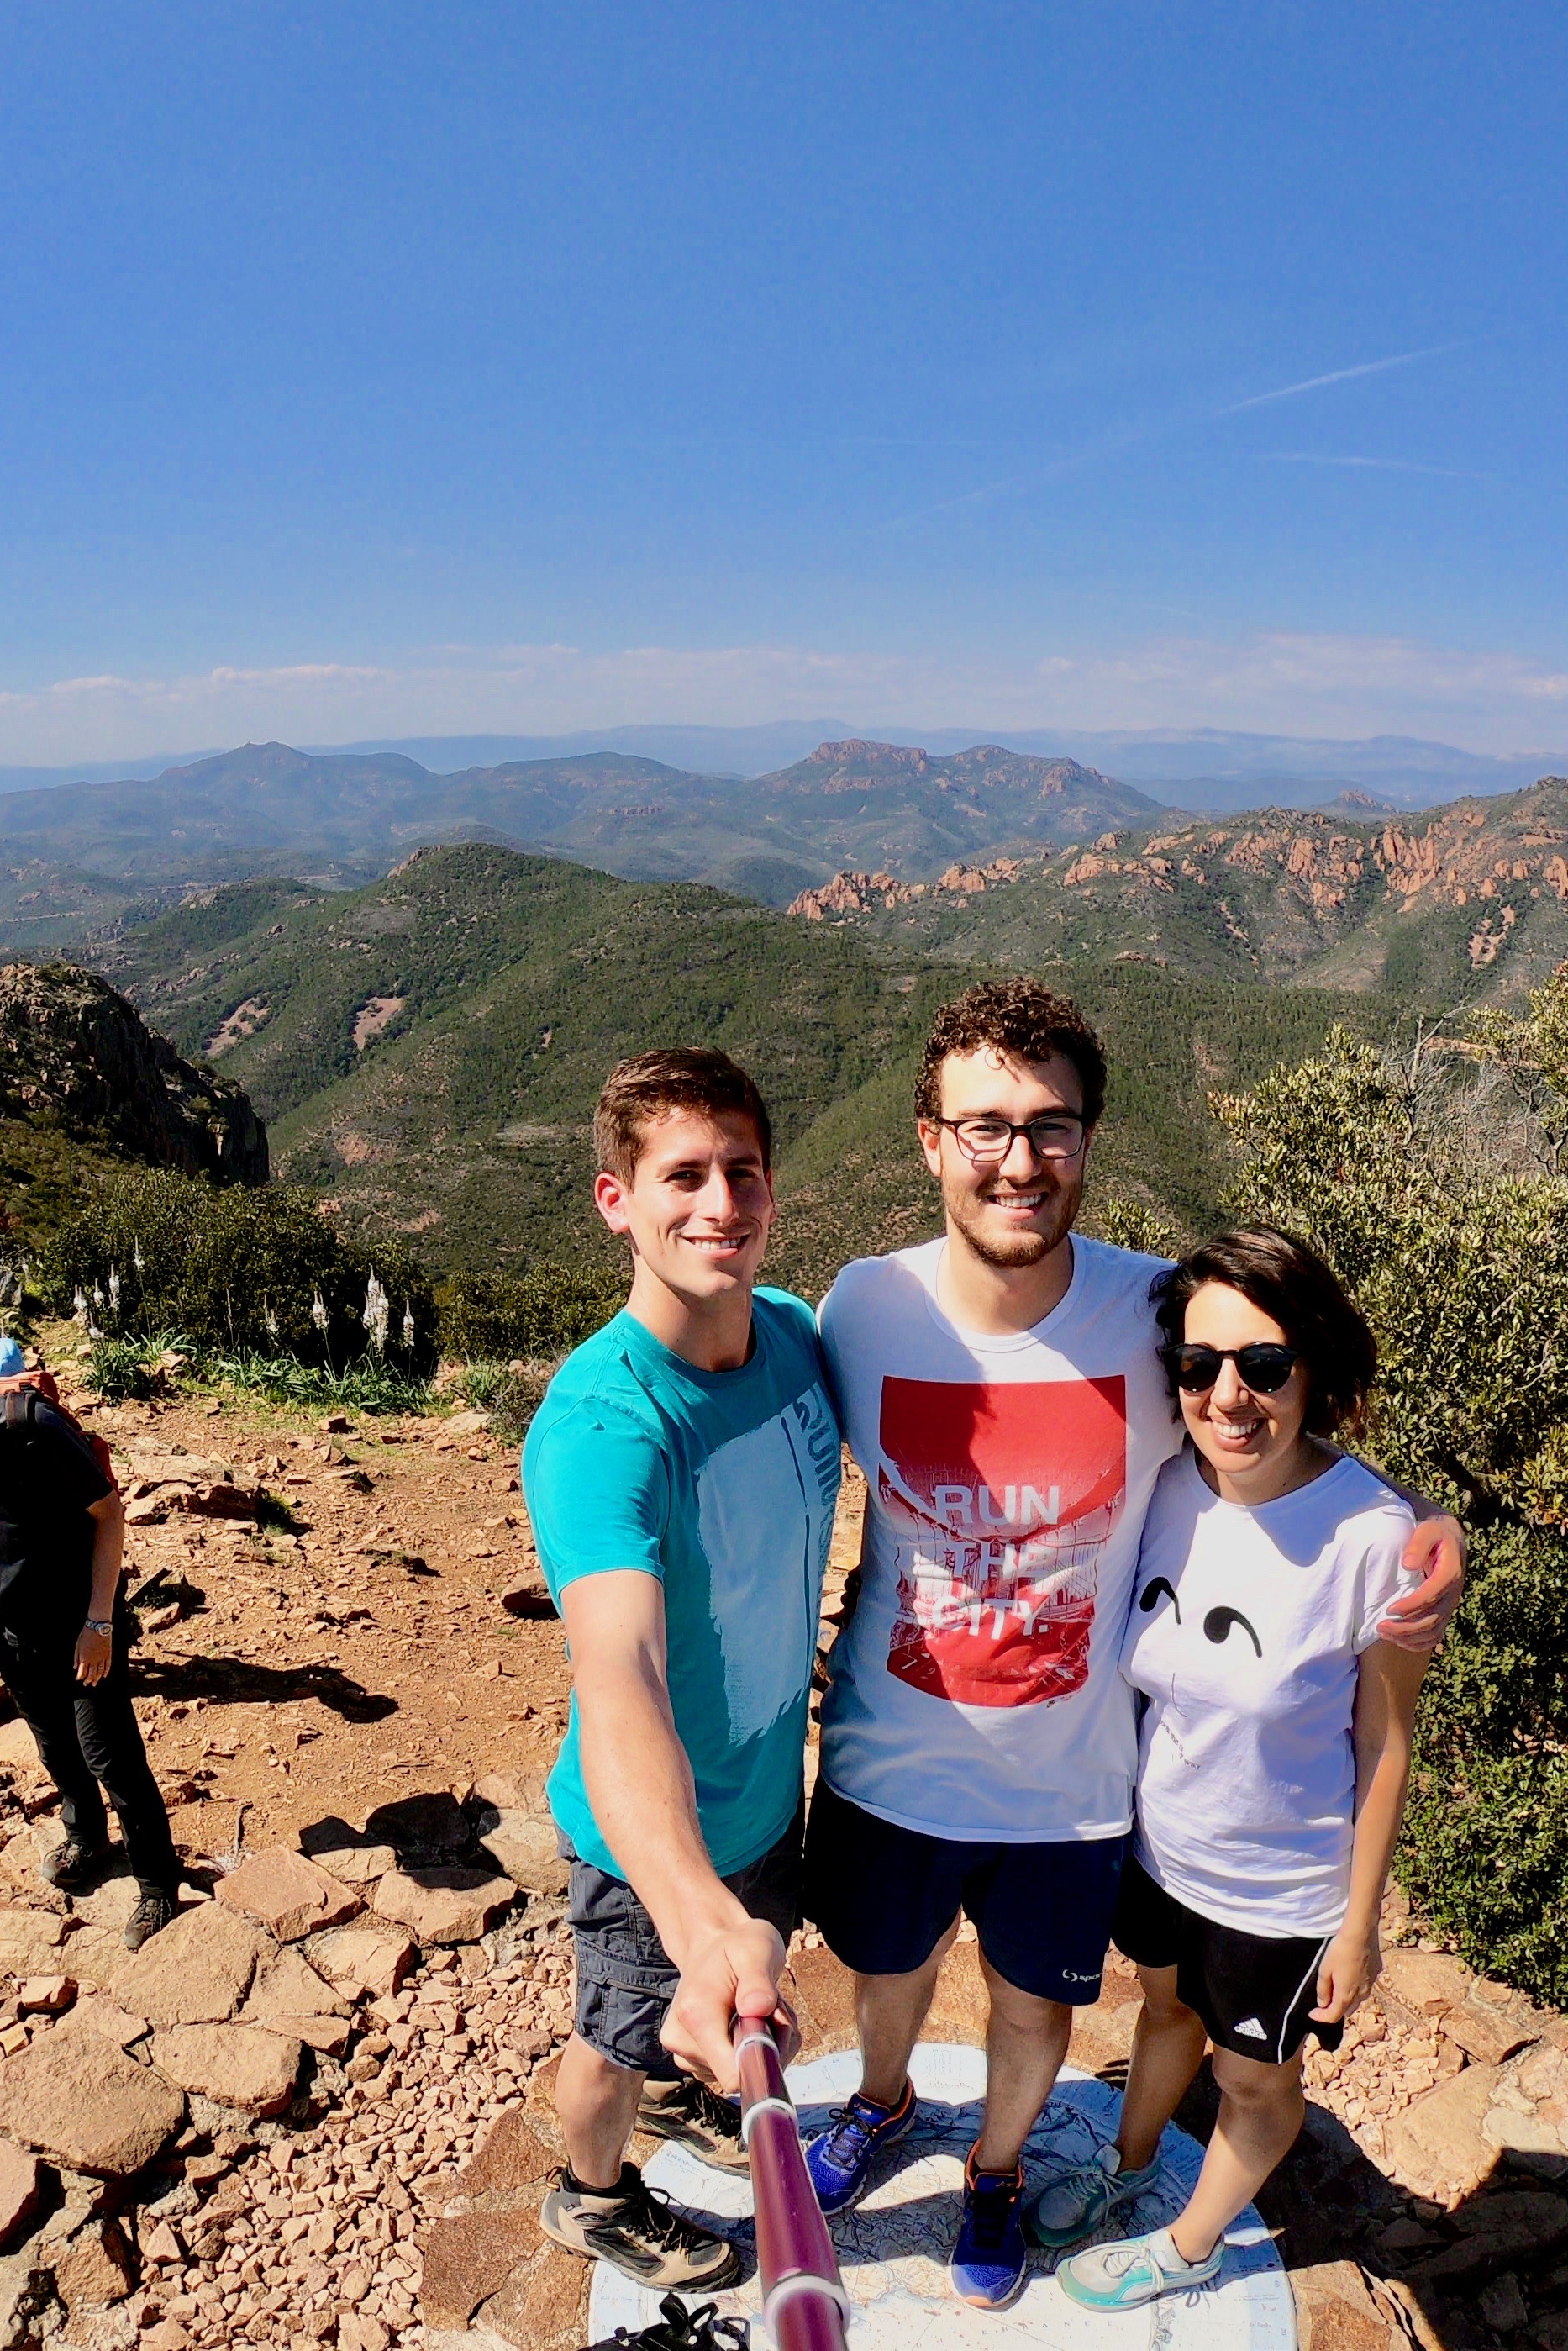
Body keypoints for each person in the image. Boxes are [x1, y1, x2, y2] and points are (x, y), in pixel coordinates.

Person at [799, 978, 1465, 2309]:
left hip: (1071, 1782)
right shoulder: (859, 1310)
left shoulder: (1154, 1314)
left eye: (1049, 1125)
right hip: (888, 1751)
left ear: (1089, 1138)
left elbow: (1269, 1418)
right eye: (984, 1126)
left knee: (1033, 2007)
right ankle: (879, 2102)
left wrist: (1424, 1525)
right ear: (929, 1141)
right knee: (887, 1975)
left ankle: (995, 2173)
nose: (1019, 1160)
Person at [1026, 1231, 1433, 2310]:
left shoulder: (1374, 1542)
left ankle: (1190, 2244)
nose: (1227, 1396)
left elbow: (1384, 1742)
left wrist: (1357, 1924)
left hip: (1279, 1893)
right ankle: (1127, 2164)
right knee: (1164, 2015)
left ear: (1313, 1367)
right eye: (1199, 1366)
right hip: (1160, 1855)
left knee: (1254, 2080)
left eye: (1263, 1365)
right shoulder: (1168, 1486)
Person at [525, 1049, 844, 2295]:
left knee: (691, 2020)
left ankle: (677, 2097)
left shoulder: (795, 1337)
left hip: (764, 1794)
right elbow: (621, 1674)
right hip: (651, 1847)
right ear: (617, 1201)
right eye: (683, 1176)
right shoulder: (603, 1428)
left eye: (742, 1172)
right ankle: (591, 2194)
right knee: (612, 2038)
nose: (721, 1204)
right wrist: (692, 1909)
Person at [0, 1348, 183, 1952]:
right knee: (54, 1745)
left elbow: (108, 1514)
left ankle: (158, 1882)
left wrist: (100, 1622)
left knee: (110, 1755)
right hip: (11, 1624)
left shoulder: (32, 1430)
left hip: (80, 1619)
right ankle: (87, 1839)